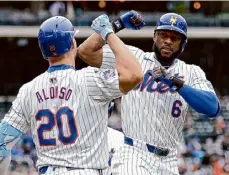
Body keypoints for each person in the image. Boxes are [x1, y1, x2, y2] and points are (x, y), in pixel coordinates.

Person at [78, 11, 220, 175]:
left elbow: (212, 108)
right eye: (163, 35)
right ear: (154, 36)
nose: (167, 41)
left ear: (183, 43)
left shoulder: (191, 72)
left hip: (169, 159)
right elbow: (86, 52)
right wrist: (119, 24)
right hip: (134, 153)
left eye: (174, 38)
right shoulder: (134, 57)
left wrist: (175, 82)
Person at [0, 15, 143, 175]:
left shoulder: (28, 90)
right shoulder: (89, 79)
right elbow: (134, 74)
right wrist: (109, 33)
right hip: (84, 171)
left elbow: (2, 143)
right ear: (72, 44)